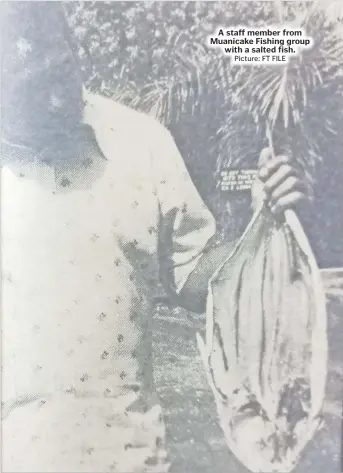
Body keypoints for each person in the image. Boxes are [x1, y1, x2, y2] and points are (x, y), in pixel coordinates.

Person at [0, 3, 308, 473]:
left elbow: (202, 286)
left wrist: (260, 221)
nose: (53, 101)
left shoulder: (142, 143)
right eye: (28, 90)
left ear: (75, 51)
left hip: (132, 457)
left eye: (58, 75)